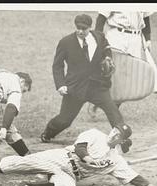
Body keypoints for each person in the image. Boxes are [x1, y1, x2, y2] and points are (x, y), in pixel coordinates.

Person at [0, 127, 157, 186]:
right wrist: (89, 159)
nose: (113, 134)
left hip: (69, 174)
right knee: (20, 163)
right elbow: (79, 148)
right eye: (114, 130)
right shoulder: (94, 133)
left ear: (121, 140)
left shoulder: (116, 161)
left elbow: (136, 179)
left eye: (118, 135)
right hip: (59, 158)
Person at [40, 14, 132, 144]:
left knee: (113, 111)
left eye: (84, 28)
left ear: (90, 27)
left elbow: (107, 51)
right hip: (75, 88)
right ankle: (48, 133)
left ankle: (121, 138)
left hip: (98, 87)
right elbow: (57, 66)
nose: (80, 31)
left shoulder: (99, 37)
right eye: (78, 28)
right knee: (65, 120)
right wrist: (60, 85)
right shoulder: (66, 42)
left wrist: (107, 59)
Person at [89, 11, 157, 115]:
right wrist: (98, 39)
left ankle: (113, 108)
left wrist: (148, 39)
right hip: (117, 35)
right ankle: (98, 102)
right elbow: (101, 18)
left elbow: (146, 18)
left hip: (135, 37)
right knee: (111, 71)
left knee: (128, 76)